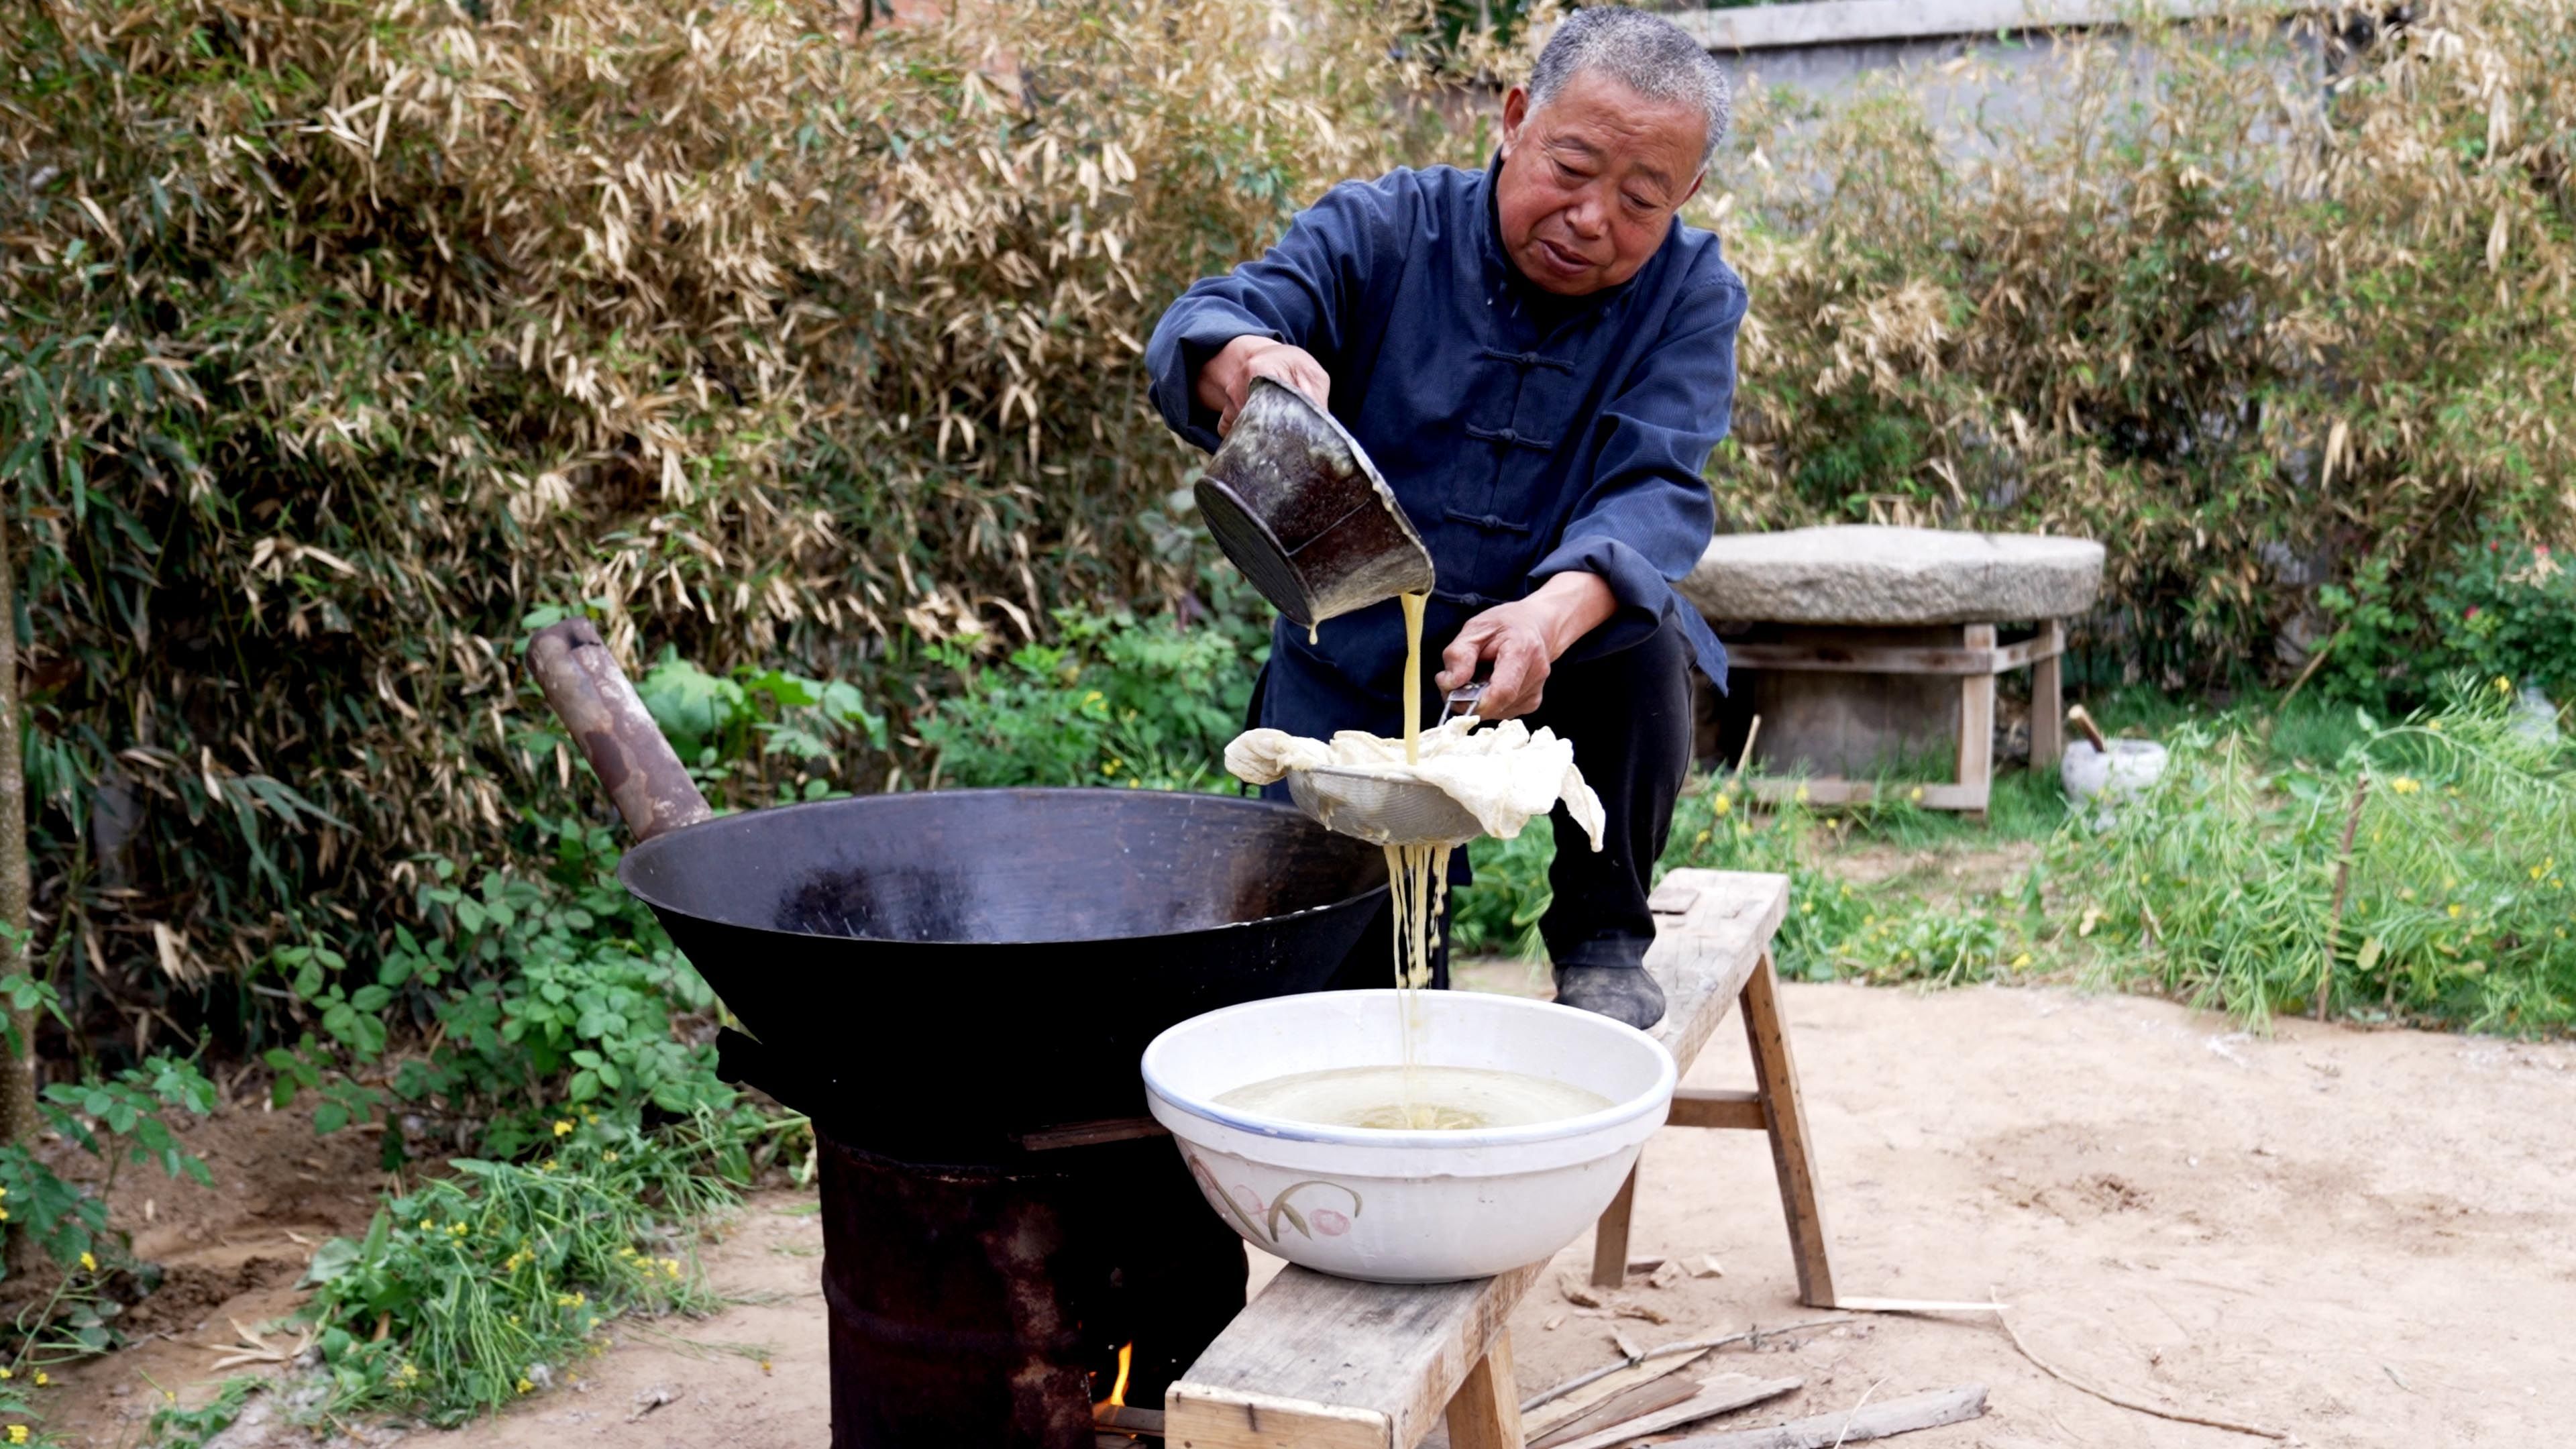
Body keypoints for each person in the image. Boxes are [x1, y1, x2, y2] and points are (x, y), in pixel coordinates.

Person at [1146, 7, 1743, 1030]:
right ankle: (1392, 965)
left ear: (1685, 196)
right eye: (1572, 167)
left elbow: (1657, 487)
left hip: (1567, 663)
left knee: (1648, 636)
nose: (1594, 216)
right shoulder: (1384, 230)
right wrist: (1249, 363)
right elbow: (1219, 314)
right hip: (1355, 665)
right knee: (1345, 998)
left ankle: (1604, 926)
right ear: (1514, 119)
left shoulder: (1690, 294)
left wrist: (1544, 622)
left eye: (1642, 198)